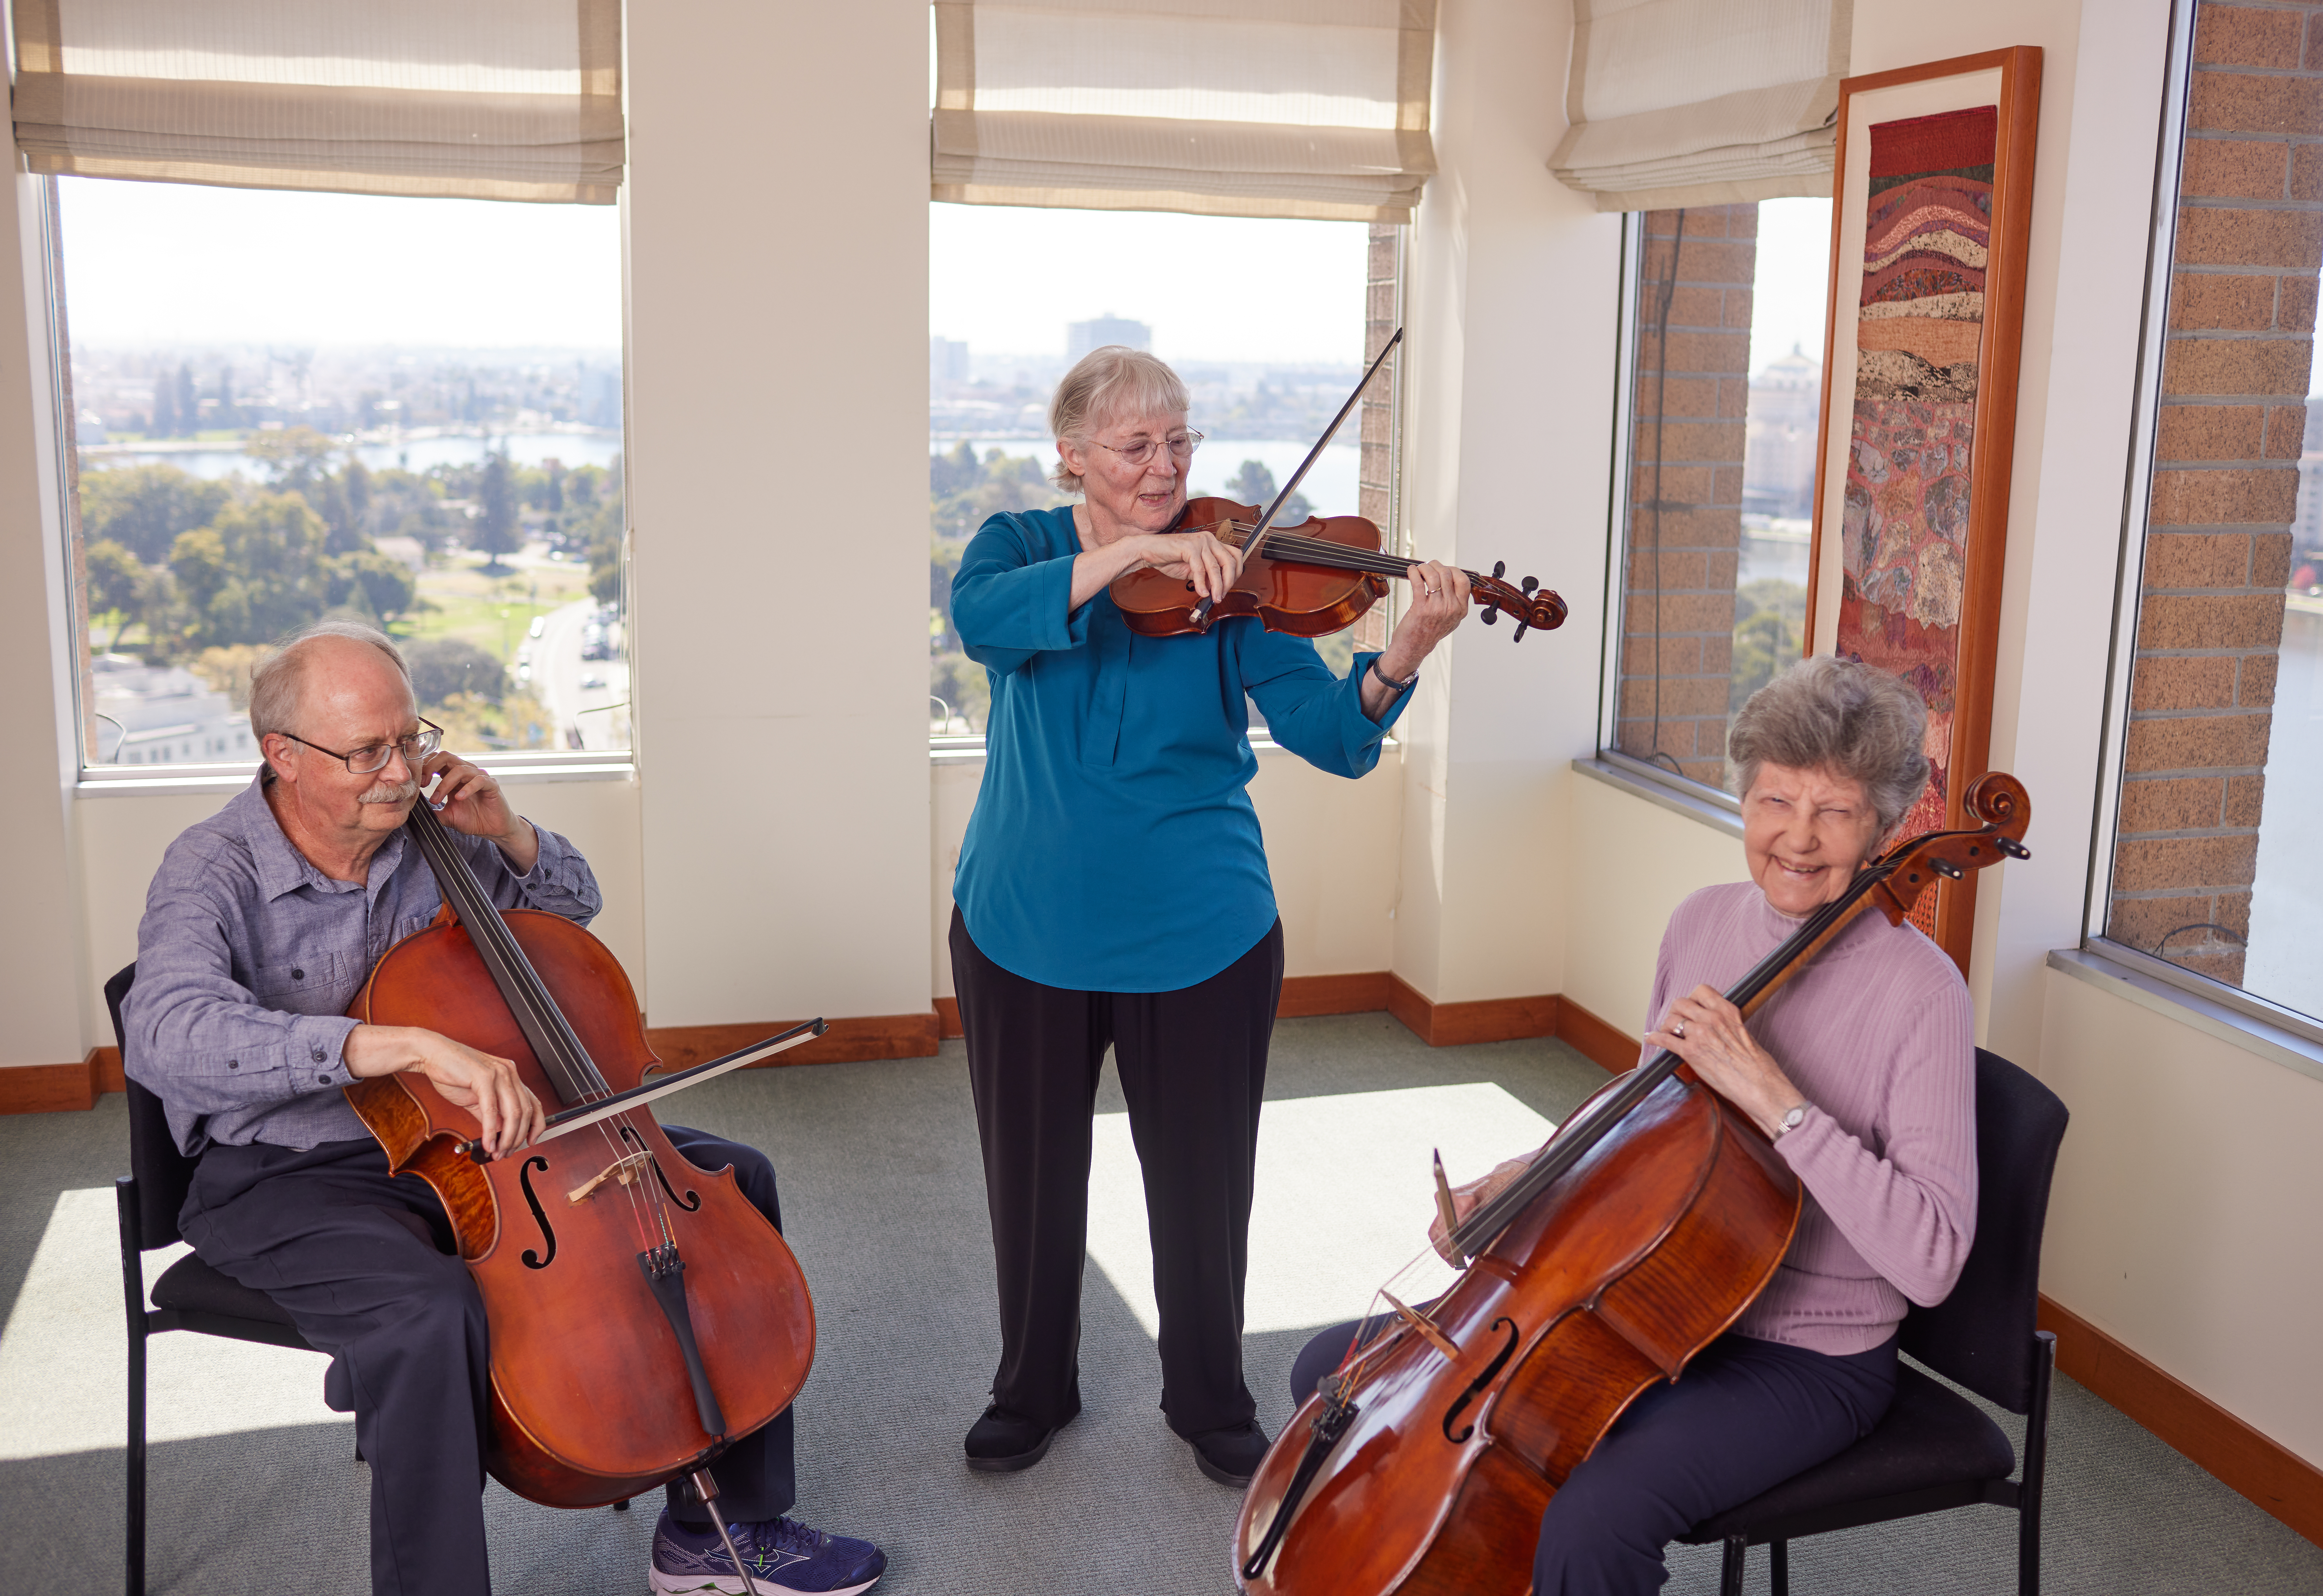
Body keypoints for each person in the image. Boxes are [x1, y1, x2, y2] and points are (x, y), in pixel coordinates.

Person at [121, 620, 885, 1596]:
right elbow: (168, 1031)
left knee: (734, 1182)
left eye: (413, 738)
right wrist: (390, 1046)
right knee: (424, 1311)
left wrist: (515, 836)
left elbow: (570, 916)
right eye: (368, 753)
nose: (401, 773)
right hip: (292, 1168)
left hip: (488, 1145)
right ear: (285, 756)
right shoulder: (212, 867)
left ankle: (717, 1529)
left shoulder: (431, 838)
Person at [1287, 655, 1977, 1594]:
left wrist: (1775, 1096)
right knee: (1340, 1382)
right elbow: (1646, 1124)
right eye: (1776, 802)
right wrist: (1516, 1186)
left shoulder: (1922, 993)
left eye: (1836, 813)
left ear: (1886, 830)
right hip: (1645, 1304)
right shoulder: (1703, 924)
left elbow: (1933, 1260)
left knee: (1595, 1521)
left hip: (1804, 1357)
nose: (1798, 840)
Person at [947, 346, 1473, 1485]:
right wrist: (1135, 550)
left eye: (1179, 441)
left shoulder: (1231, 577)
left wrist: (1405, 649)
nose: (1163, 465)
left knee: (1200, 1180)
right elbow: (982, 621)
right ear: (1071, 454)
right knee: (1030, 1178)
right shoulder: (1022, 548)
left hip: (1200, 932)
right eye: (1135, 446)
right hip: (1022, 925)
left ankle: (1207, 1395)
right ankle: (1031, 1387)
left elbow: (1335, 739)